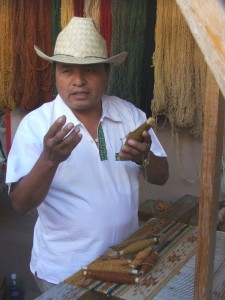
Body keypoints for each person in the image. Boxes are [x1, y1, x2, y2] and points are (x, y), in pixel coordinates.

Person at [6, 17, 169, 293]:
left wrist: (145, 159)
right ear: (55, 74)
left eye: (90, 71)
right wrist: (49, 159)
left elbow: (162, 176)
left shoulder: (128, 114)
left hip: (124, 261)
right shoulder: (37, 125)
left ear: (106, 75)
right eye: (67, 70)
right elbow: (20, 204)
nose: (78, 81)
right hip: (64, 270)